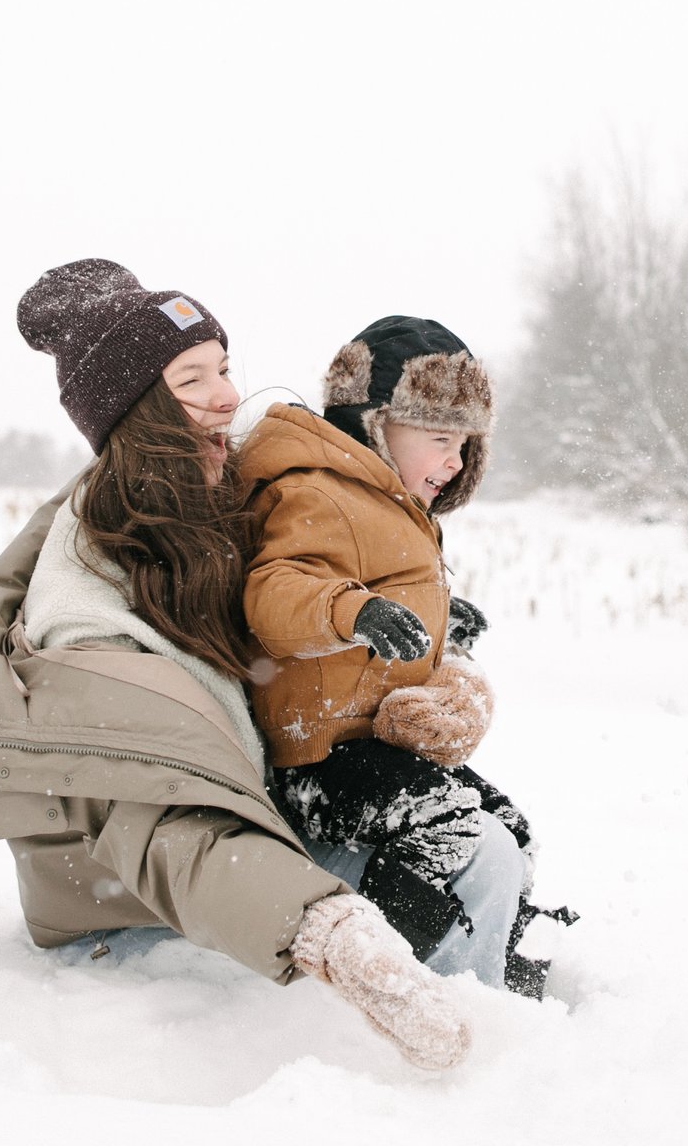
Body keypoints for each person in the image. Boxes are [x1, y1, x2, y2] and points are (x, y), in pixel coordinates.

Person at [0, 260, 471, 1071]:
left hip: (218, 851)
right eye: (194, 378)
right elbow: (165, 827)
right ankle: (488, 1024)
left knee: (460, 833)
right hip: (126, 919)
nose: (230, 395)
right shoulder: (92, 620)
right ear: (141, 410)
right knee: (458, 857)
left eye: (224, 367)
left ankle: (495, 980)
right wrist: (332, 932)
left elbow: (290, 602)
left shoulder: (195, 521)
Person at [234, 315, 563, 999]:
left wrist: (443, 632)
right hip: (316, 758)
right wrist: (352, 612)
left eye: (465, 443)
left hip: (372, 749)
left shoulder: (391, 503)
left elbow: (390, 588)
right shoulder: (316, 489)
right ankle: (399, 963)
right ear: (375, 422)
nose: (454, 460)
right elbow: (273, 592)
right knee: (451, 833)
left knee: (508, 827)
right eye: (441, 439)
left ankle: (503, 954)